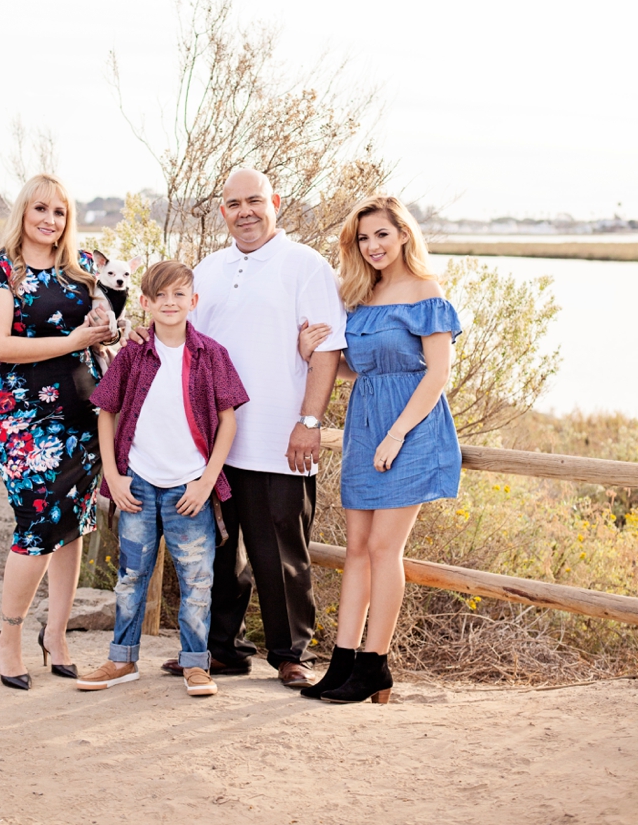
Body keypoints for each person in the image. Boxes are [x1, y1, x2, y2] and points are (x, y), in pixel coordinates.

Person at [160, 168, 347, 688]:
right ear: (223, 211)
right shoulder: (208, 270)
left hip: (277, 439)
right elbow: (183, 341)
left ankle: (291, 655)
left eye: (255, 201)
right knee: (217, 553)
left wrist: (309, 422)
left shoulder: (306, 266)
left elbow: (327, 351)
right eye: (235, 204)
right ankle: (223, 649)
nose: (245, 212)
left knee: (280, 554)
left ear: (275, 203)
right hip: (212, 444)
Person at [298, 195, 462, 704]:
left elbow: (438, 373)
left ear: (404, 235)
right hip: (365, 426)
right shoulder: (362, 294)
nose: (372, 246)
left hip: (410, 429)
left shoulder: (426, 292)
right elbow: (359, 367)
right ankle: (342, 662)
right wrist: (310, 351)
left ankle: (375, 664)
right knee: (357, 550)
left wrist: (397, 434)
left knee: (384, 549)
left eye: (382, 235)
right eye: (363, 238)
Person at [76, 260, 248, 697]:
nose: (170, 303)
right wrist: (113, 476)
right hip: (137, 483)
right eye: (160, 296)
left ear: (193, 301)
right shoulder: (134, 354)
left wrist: (206, 482)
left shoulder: (212, 355)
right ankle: (122, 659)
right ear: (145, 302)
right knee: (131, 576)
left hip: (189, 486)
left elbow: (228, 421)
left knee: (197, 580)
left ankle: (195, 664)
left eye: (179, 294)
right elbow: (106, 411)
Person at [0, 173, 114, 691]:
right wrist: (73, 339)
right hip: (22, 416)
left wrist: (106, 329)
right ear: (24, 212)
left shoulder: (84, 268)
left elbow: (106, 328)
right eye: (40, 209)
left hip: (82, 413)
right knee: (37, 523)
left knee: (71, 524)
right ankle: (8, 638)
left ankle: (56, 635)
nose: (50, 220)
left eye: (59, 212)